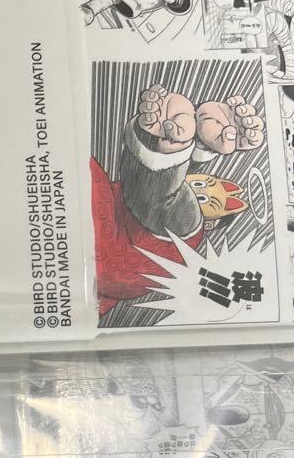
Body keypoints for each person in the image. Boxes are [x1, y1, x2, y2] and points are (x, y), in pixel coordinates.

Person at [92, 84, 264, 318]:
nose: (195, 187)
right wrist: (195, 143)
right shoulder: (177, 193)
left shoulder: (187, 226)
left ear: (210, 224)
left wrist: (171, 147)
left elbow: (157, 199)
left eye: (204, 197)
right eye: (202, 182)